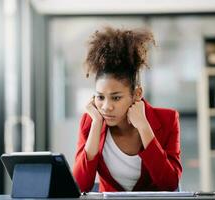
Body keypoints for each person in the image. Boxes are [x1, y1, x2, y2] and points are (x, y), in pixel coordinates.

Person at [73, 26, 182, 192]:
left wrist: (144, 128)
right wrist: (96, 125)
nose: (106, 107)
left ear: (136, 94)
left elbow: (169, 184)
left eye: (116, 97)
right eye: (100, 97)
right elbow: (80, 186)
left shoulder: (167, 120)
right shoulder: (90, 121)